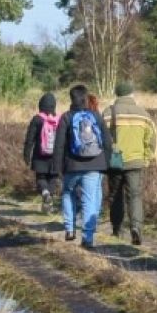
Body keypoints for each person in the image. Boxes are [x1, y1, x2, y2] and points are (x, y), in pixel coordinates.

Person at [51, 84, 110, 248]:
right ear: (85, 97)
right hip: (95, 164)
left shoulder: (66, 117)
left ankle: (70, 229)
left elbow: (59, 146)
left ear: (71, 98)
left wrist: (57, 169)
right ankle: (88, 237)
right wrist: (106, 163)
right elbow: (107, 141)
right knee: (90, 200)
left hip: (72, 165)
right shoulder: (96, 116)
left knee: (68, 193)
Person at [103, 81, 157, 246]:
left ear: (117, 94)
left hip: (114, 162)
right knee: (135, 196)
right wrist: (146, 158)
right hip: (136, 162)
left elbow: (101, 137)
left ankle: (117, 229)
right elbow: (151, 139)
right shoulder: (143, 114)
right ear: (132, 94)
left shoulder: (108, 112)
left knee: (115, 196)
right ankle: (136, 229)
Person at [23, 92, 61, 213]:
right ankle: (48, 204)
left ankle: (45, 194)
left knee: (41, 177)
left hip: (40, 156)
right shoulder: (59, 120)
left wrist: (26, 154)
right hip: (55, 156)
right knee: (53, 178)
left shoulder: (37, 119)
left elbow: (30, 139)